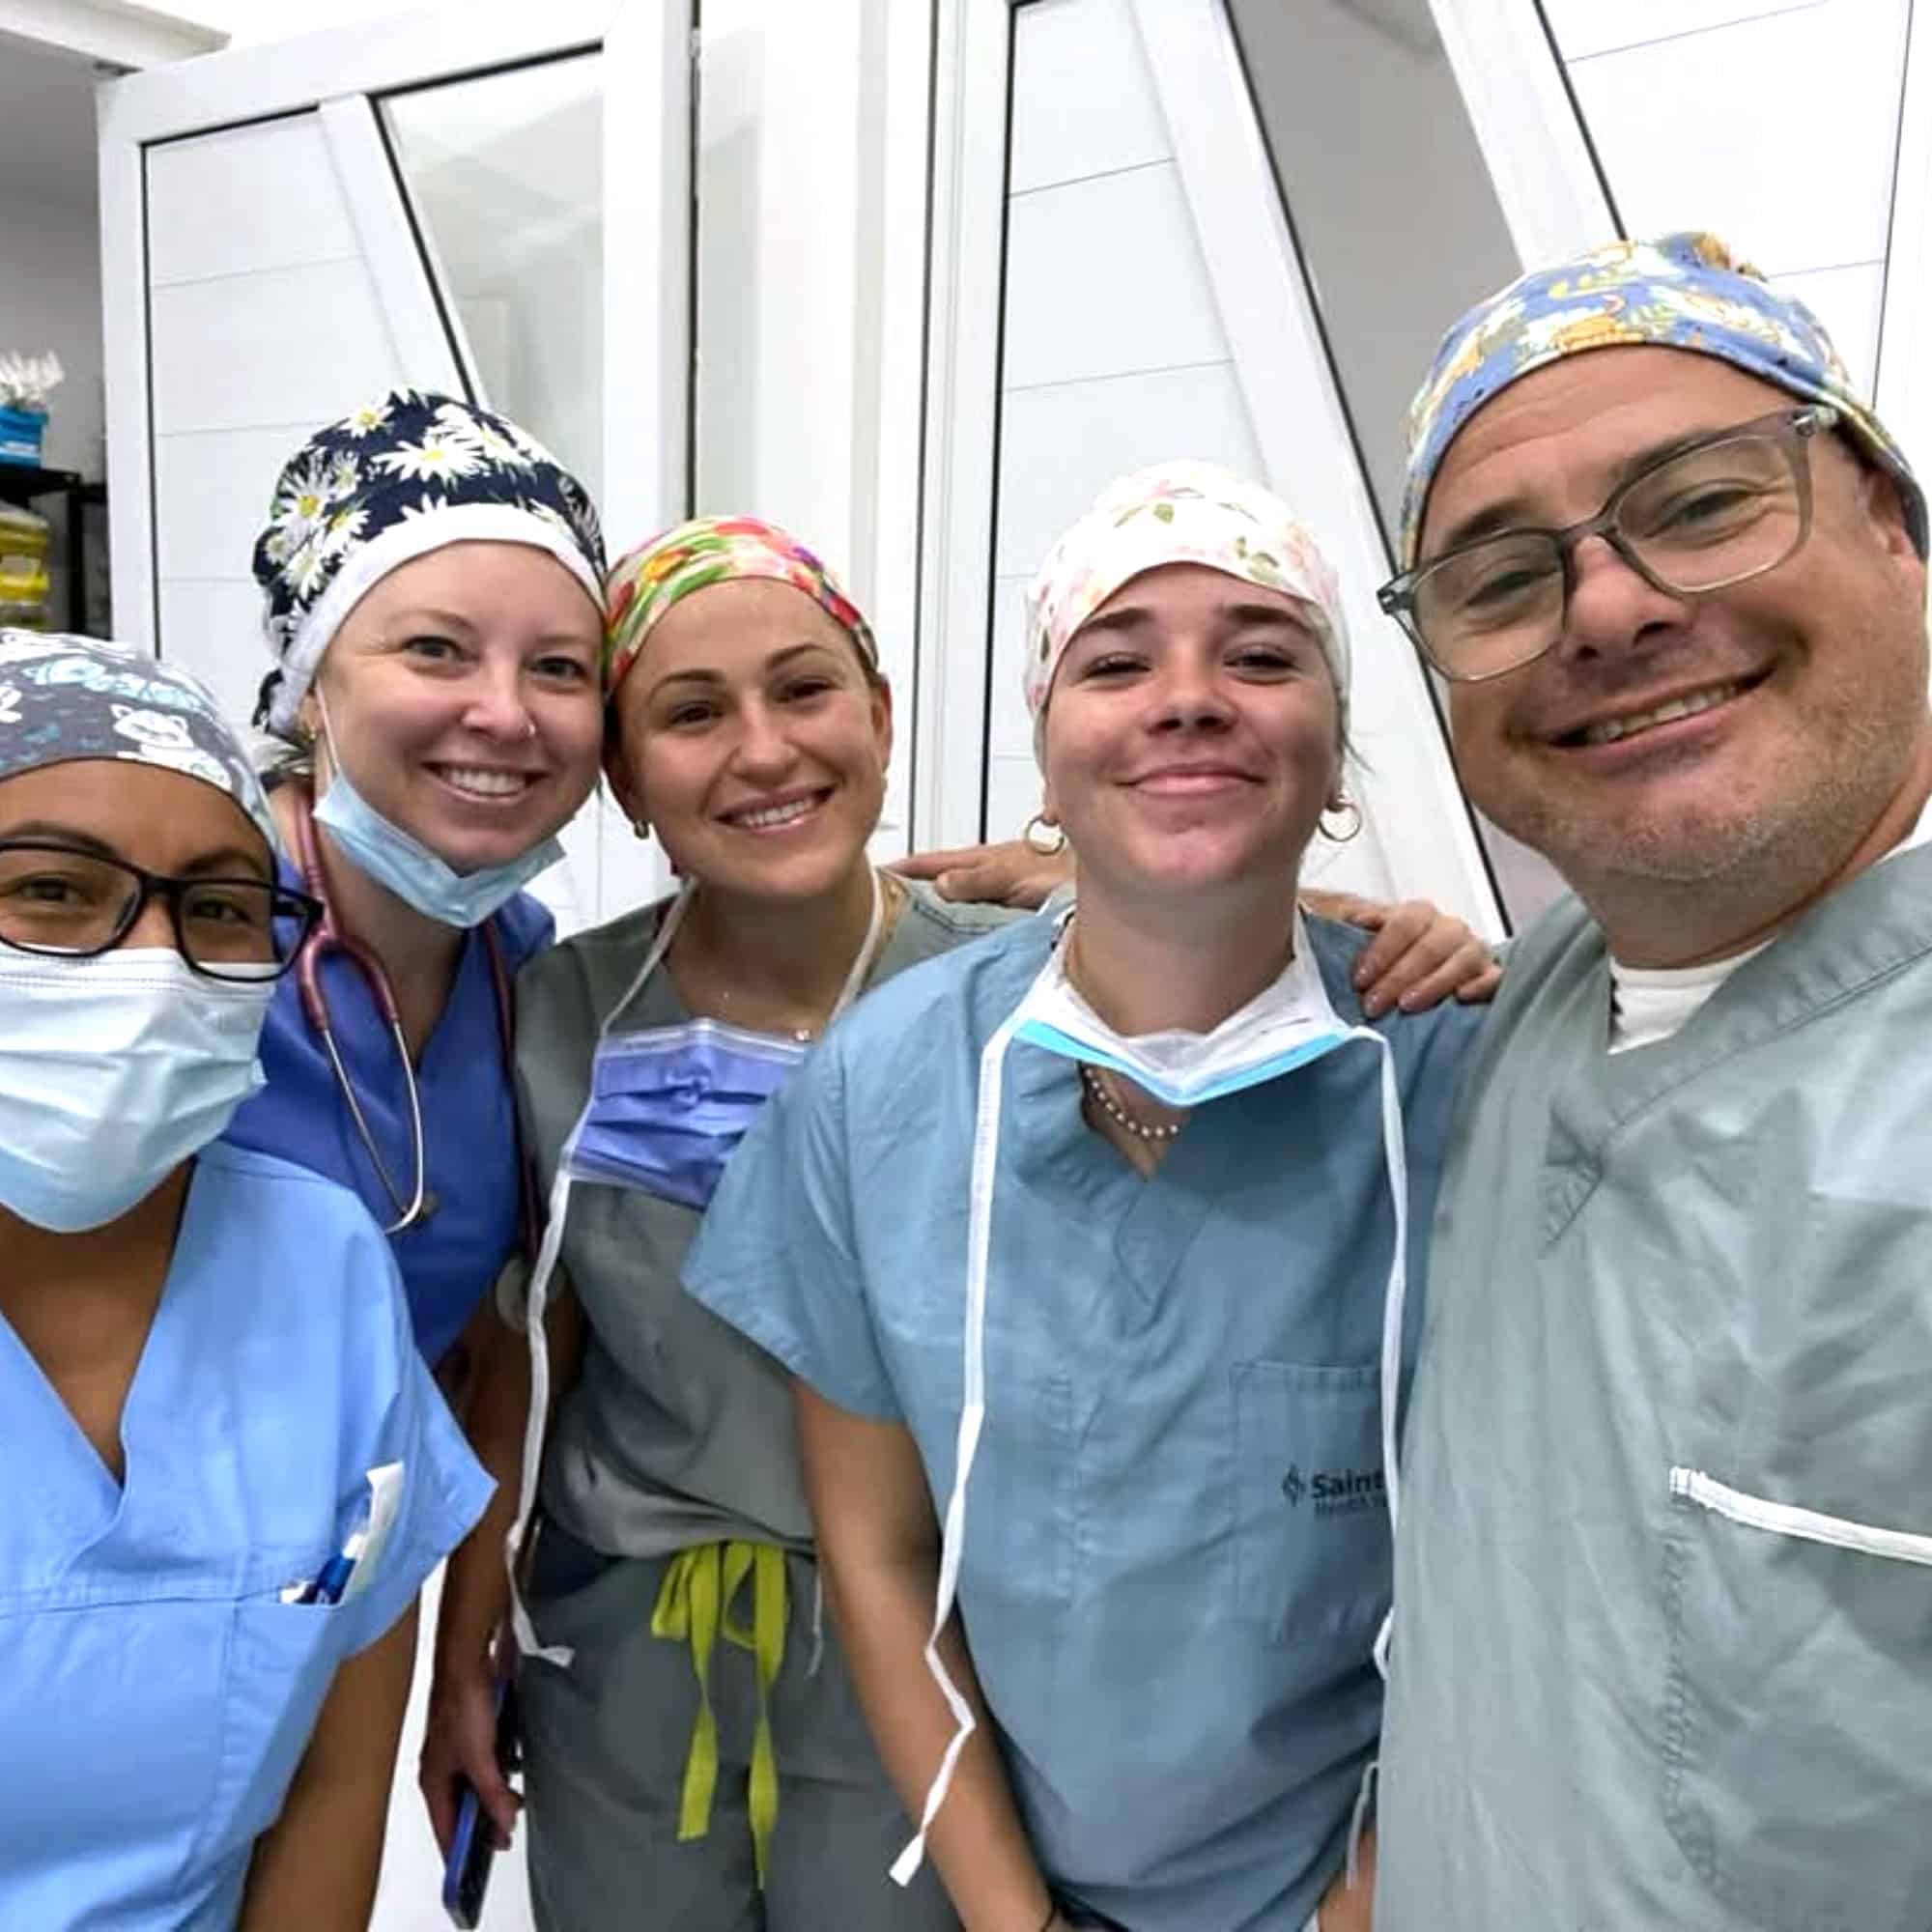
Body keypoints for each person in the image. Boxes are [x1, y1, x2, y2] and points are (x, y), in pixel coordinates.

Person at [422, 506, 1493, 1930]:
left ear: (880, 715)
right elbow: (528, 1352)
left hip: (931, 1648)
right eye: (690, 712)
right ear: (622, 776)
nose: (763, 749)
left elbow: (1194, 916)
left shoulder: (1000, 990)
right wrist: (464, 1636)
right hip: (626, 1633)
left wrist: (1352, 927)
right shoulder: (562, 1008)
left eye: (805, 689)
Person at [1368, 233, 1932, 1929]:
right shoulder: (1545, 999)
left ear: (1894, 526)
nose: (1610, 608)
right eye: (1499, 580)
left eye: (1699, 504)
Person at [0, 632, 491, 1929]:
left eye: (218, 908)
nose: (154, 963)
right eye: (52, 888)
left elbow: (334, 1786)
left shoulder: (320, 1264)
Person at [223, 387, 609, 1378]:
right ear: (310, 684)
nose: (505, 714)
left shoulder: (520, 962)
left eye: (559, 667)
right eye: (435, 649)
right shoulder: (183, 938)